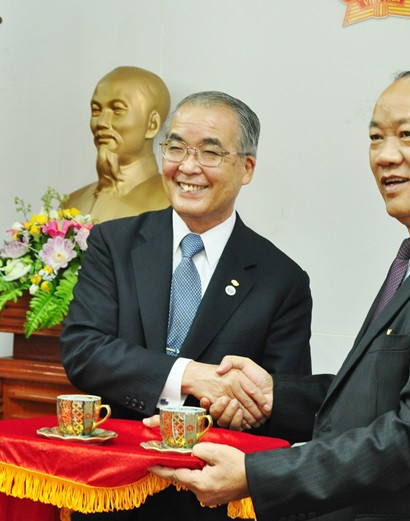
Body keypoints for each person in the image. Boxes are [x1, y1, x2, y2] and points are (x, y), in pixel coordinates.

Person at [150, 68, 410, 521]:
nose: (385, 156)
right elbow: (377, 395)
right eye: (376, 138)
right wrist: (273, 396)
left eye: (407, 136)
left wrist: (259, 475)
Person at [60, 91, 313, 520]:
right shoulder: (114, 244)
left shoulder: (281, 279)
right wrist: (193, 377)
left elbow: (281, 402)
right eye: (176, 148)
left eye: (210, 152)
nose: (188, 167)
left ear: (247, 167)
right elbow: (84, 349)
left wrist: (242, 406)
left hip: (211, 502)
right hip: (114, 493)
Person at [64, 66, 171, 223]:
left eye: (117, 110)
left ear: (151, 124)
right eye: (96, 111)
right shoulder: (71, 203)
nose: (101, 122)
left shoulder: (169, 204)